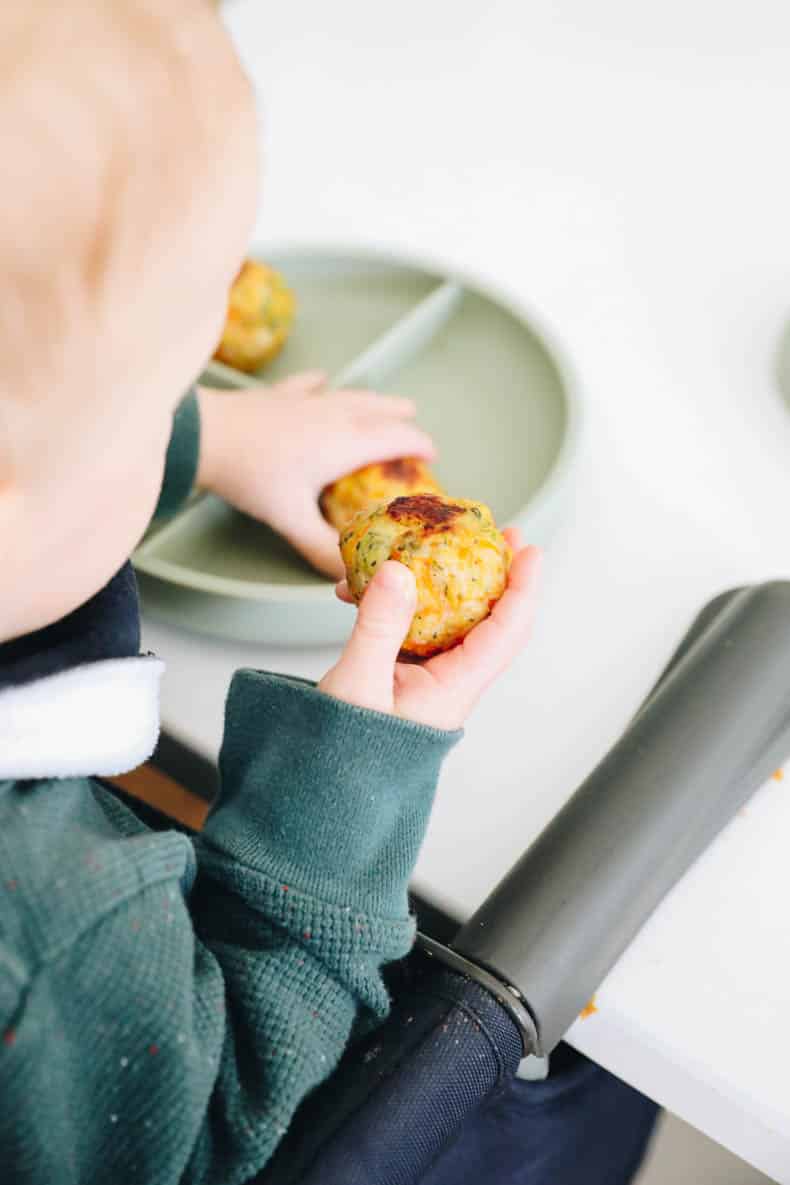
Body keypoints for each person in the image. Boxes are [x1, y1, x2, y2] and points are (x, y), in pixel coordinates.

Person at [0, 4, 543, 1183]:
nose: (168, 420)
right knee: (565, 1090)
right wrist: (340, 793)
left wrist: (190, 437)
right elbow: (217, 1122)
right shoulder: (37, 945)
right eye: (156, 404)